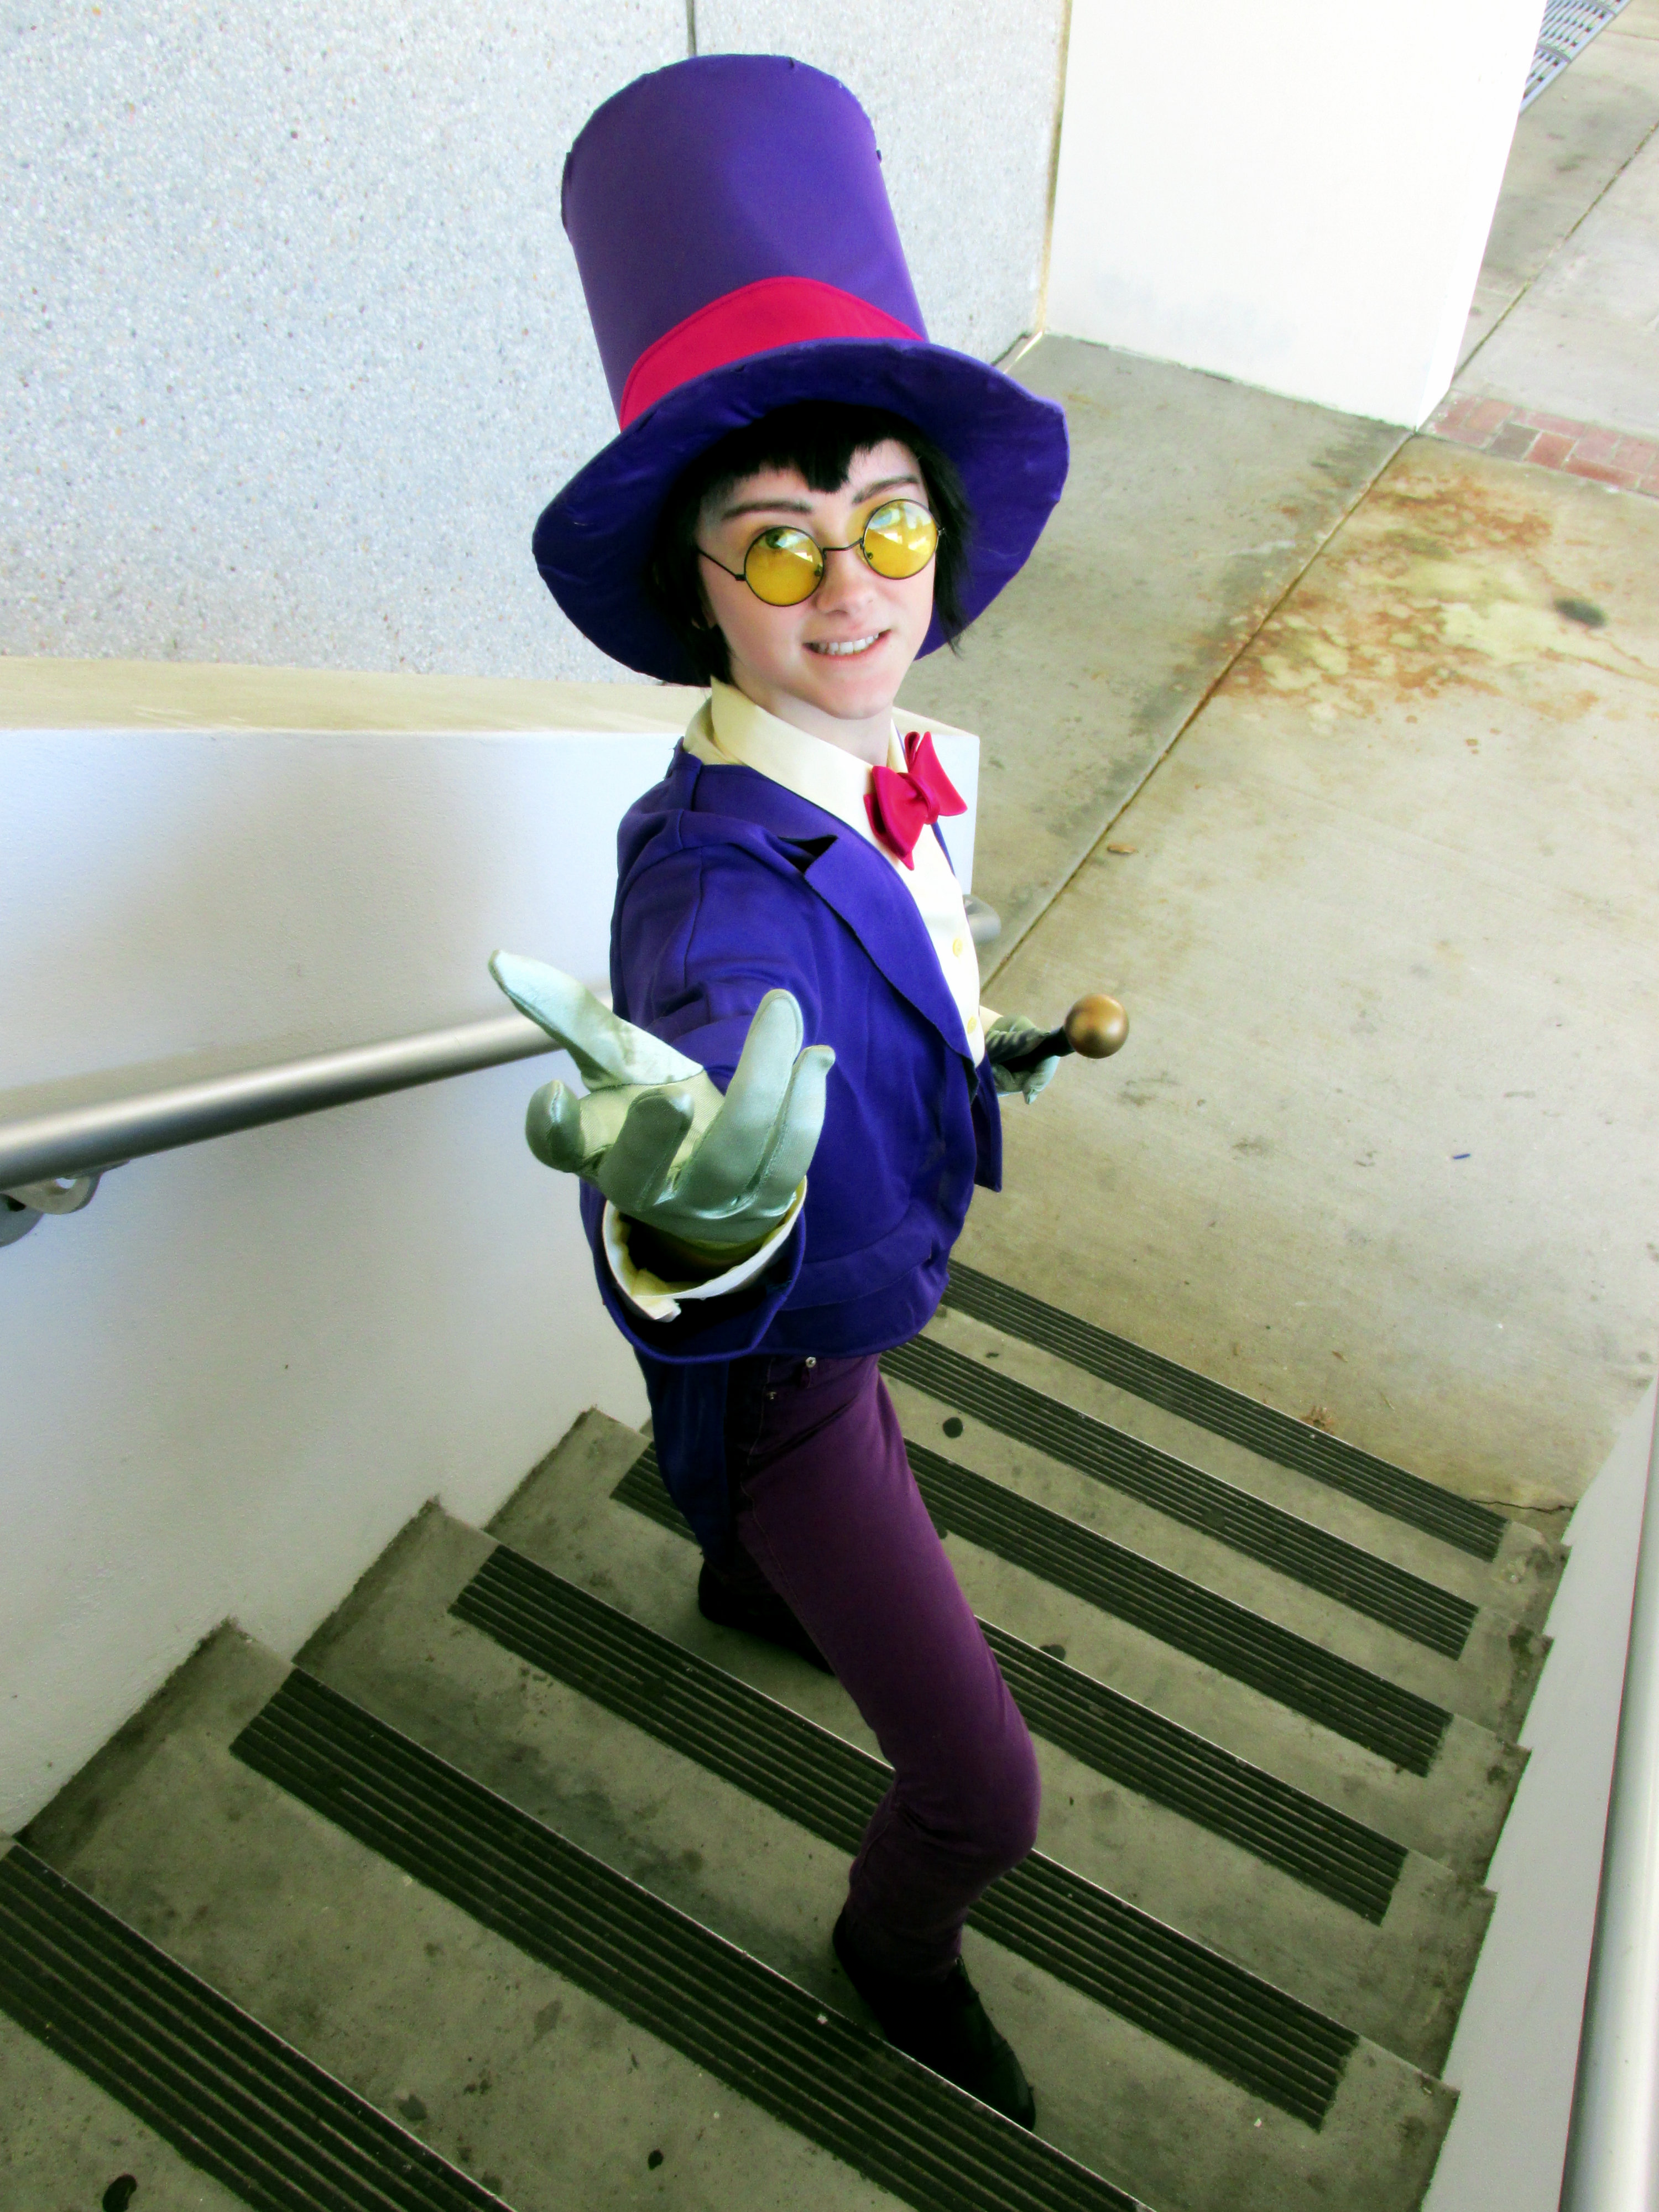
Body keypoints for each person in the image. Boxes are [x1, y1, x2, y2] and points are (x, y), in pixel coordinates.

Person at [492, 53, 1071, 2127]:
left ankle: (745, 1577)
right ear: (699, 589)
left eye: (887, 521)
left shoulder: (879, 759)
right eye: (780, 544)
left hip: (866, 1284)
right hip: (792, 1376)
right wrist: (687, 1221)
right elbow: (706, 1061)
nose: (853, 590)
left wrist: (973, 1045)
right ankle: (890, 1944)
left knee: (783, 1510)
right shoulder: (712, 893)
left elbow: (900, 949)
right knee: (987, 1792)